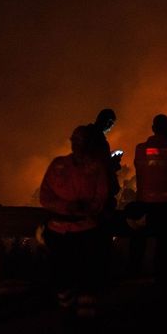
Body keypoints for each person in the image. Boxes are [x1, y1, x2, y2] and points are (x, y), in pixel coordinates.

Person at [39, 126, 110, 321]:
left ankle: (86, 319)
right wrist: (67, 207)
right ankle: (67, 312)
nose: (77, 145)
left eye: (82, 142)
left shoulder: (96, 168)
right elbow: (44, 195)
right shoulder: (58, 165)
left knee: (87, 275)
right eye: (75, 141)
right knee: (60, 275)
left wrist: (84, 211)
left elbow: (100, 197)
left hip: (86, 230)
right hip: (59, 231)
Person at [133, 114, 167, 282]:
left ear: (153, 128)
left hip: (145, 204)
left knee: (139, 239)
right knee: (164, 245)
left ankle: (135, 273)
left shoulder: (140, 149)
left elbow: (139, 170)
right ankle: (162, 279)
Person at [85, 108, 122, 211]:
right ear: (107, 121)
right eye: (111, 123)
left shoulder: (88, 135)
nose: (111, 127)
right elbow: (100, 164)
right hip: (97, 189)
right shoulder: (98, 139)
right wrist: (113, 163)